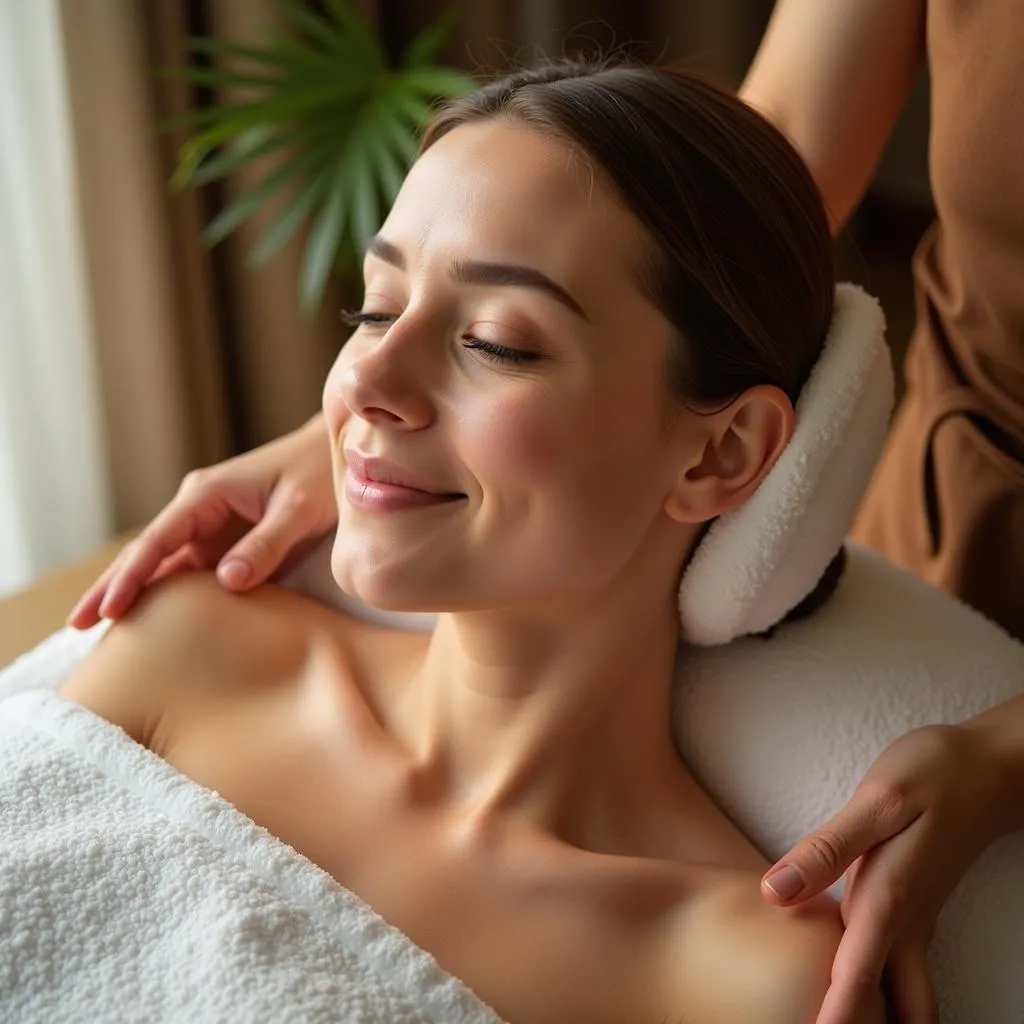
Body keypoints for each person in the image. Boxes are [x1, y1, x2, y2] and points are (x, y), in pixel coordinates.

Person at [67, 2, 1024, 1017]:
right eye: (373, 309)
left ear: (721, 452)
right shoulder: (185, 654)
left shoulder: (747, 980)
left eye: (496, 341)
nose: (364, 380)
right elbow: (780, 127)